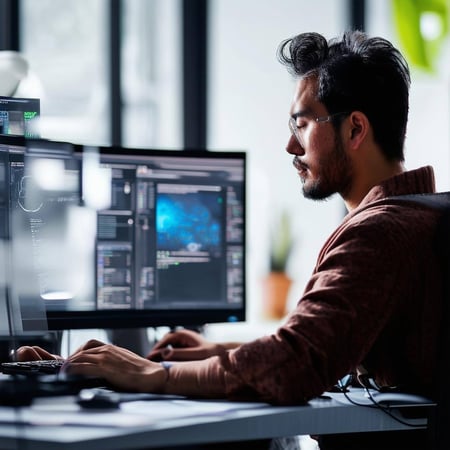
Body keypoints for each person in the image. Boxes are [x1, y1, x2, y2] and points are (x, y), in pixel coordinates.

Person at [17, 30, 444, 449]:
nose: (290, 145)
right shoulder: (424, 214)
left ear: (355, 130)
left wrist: (154, 375)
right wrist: (216, 350)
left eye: (302, 123)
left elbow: (298, 364)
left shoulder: (378, 232)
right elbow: (331, 345)